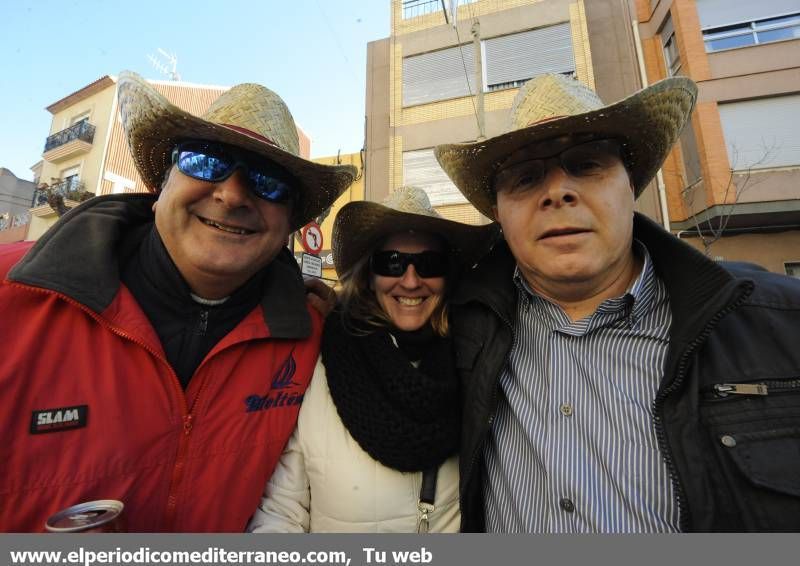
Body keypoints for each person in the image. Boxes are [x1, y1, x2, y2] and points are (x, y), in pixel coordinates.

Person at [434, 73, 800, 532]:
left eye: (586, 164)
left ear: (632, 185)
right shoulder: (460, 323)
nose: (557, 192)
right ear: (498, 215)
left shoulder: (779, 324)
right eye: (526, 177)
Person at [0, 71, 355, 532]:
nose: (230, 194)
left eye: (268, 182)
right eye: (205, 162)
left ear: (287, 223)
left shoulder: (311, 336)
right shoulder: (15, 300)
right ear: (160, 186)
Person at [247, 186, 498, 532]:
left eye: (429, 264)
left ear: (448, 275)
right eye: (392, 263)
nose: (410, 281)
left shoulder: (478, 358)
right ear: (370, 274)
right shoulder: (319, 360)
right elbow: (281, 511)